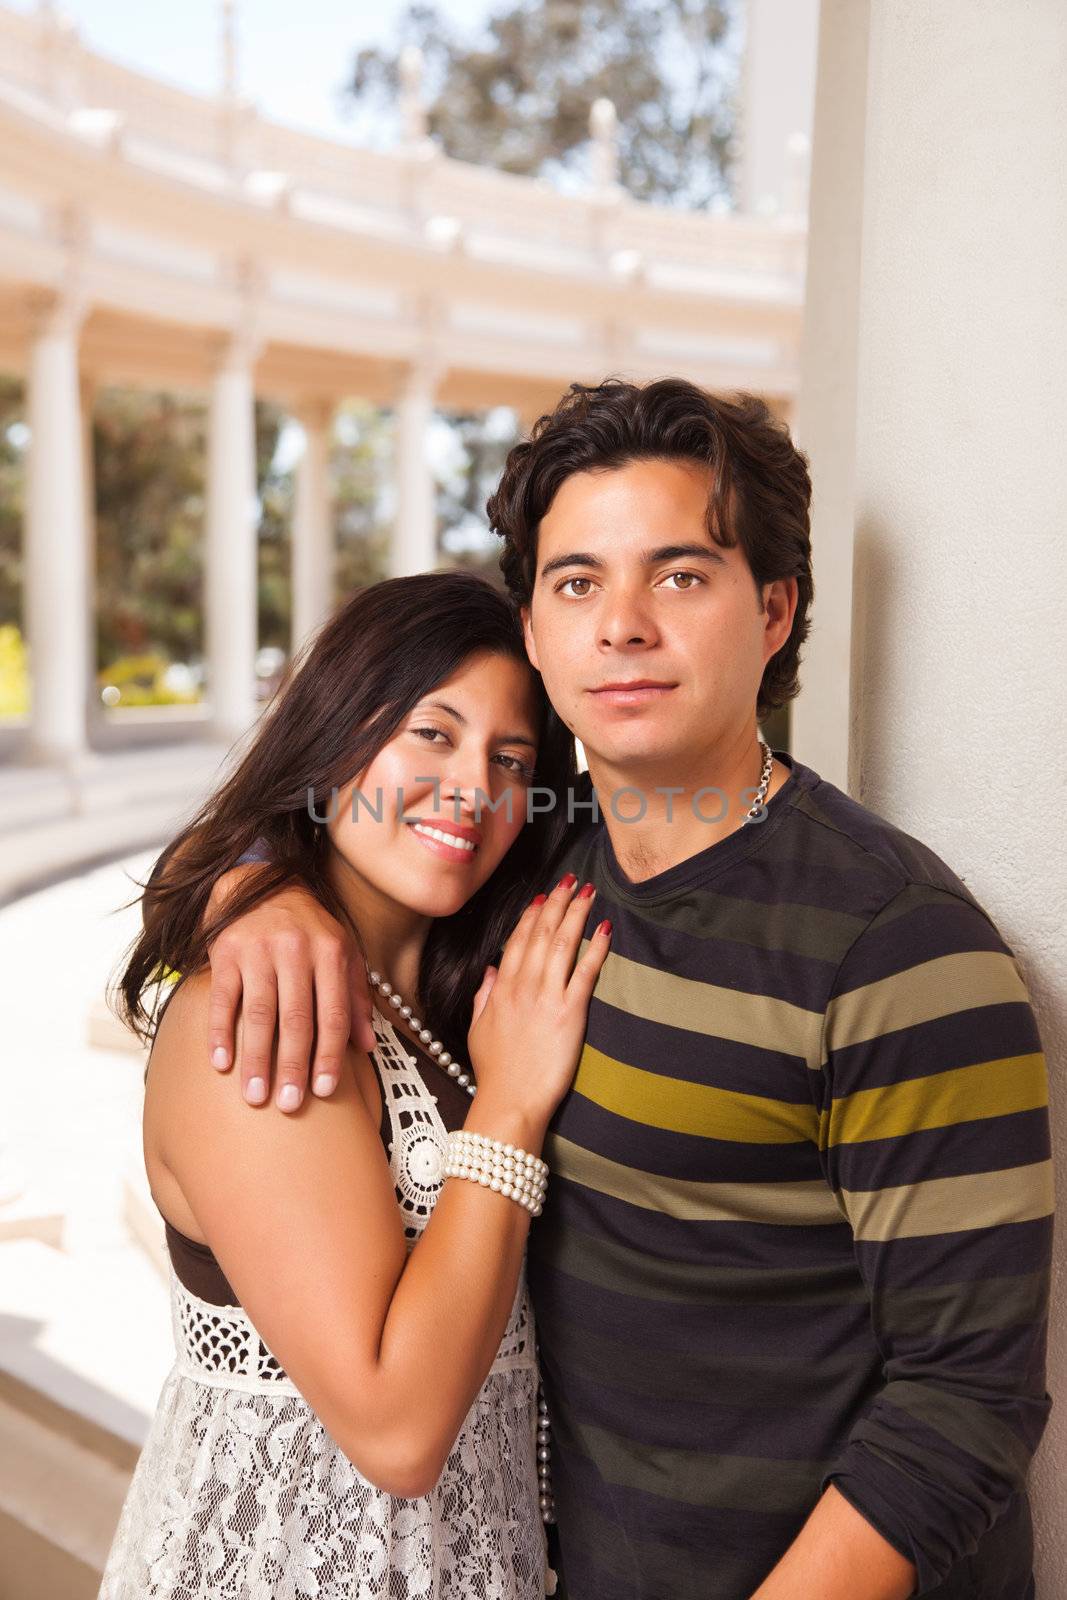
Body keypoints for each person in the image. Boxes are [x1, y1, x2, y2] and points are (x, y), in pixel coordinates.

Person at [185, 379, 1052, 1600]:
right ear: (534, 631)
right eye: (576, 581)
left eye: (681, 575)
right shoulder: (526, 861)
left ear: (774, 609)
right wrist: (251, 884)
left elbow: (966, 1403)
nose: (622, 625)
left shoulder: (897, 946)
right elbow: (348, 805)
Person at [101, 570, 614, 1599]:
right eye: (433, 732)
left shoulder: (478, 983)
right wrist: (511, 1108)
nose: (473, 785)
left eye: (511, 758)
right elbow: (395, 1429)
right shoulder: (255, 1009)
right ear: (338, 730)